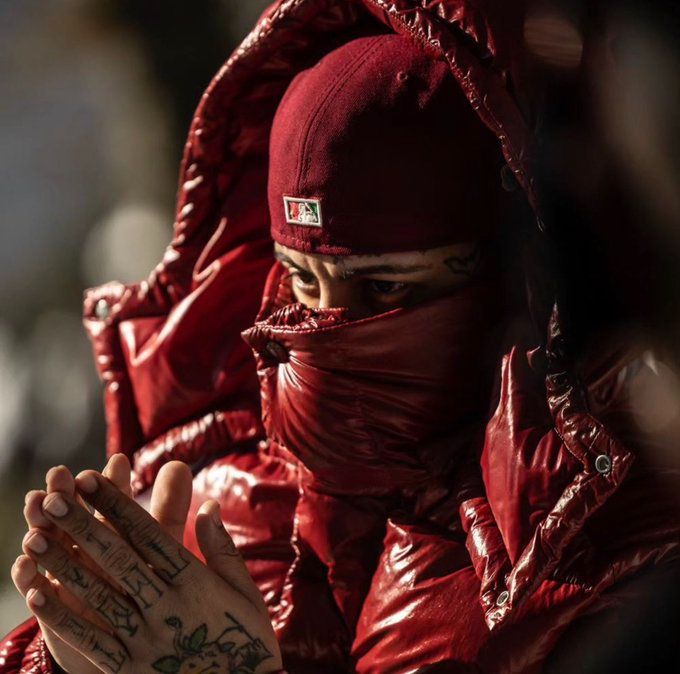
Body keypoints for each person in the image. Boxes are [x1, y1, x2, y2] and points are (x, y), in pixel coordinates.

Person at [2, 3, 679, 673]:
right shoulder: (226, 498)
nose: (327, 330)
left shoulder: (609, 536)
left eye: (384, 288)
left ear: (512, 270)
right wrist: (67, 657)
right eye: (301, 280)